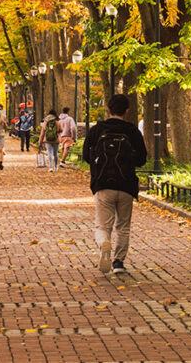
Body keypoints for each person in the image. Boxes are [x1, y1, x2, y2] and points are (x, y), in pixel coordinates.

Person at [82, 93, 147, 274]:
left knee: (103, 225)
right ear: (126, 111)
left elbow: (86, 156)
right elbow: (142, 159)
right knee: (123, 226)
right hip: (126, 184)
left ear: (108, 109)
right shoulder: (132, 131)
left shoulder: (98, 129)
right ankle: (118, 262)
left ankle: (104, 244)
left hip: (103, 184)